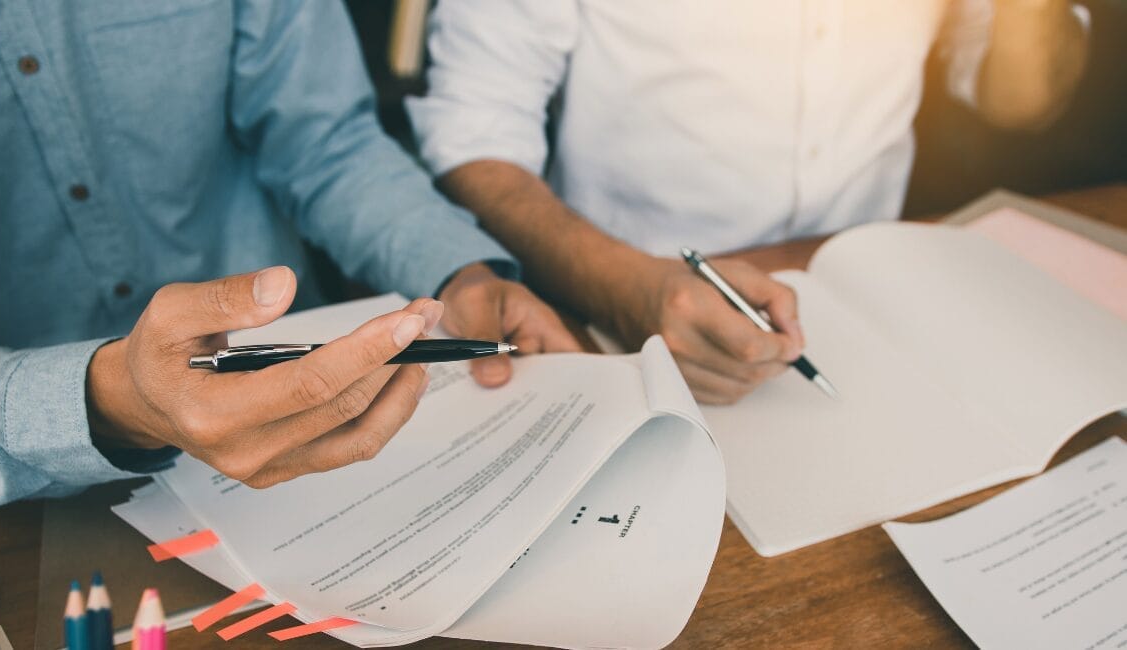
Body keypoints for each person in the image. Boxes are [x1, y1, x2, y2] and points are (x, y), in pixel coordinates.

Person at [0, 1, 579, 510]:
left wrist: (459, 271)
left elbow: (326, 143)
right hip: (6, 505)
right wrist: (107, 401)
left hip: (312, 450)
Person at [407, 0, 1089, 404]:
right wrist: (626, 290)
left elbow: (1020, 102)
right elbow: (474, 133)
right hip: (614, 307)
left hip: (879, 295)